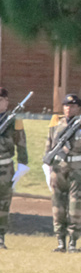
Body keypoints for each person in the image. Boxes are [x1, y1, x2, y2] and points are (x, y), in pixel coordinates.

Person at [45, 94, 81, 253]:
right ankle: (60, 241)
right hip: (59, 169)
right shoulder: (56, 123)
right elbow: (49, 146)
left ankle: (73, 241)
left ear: (79, 108)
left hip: (77, 169)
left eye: (72, 106)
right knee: (57, 207)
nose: (68, 108)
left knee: (75, 207)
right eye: (66, 105)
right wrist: (47, 168)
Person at [0, 87, 28, 249]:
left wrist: (22, 164)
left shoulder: (13, 121)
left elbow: (21, 144)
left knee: (3, 203)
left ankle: (1, 236)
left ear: (6, 101)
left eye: (0, 100)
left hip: (5, 166)